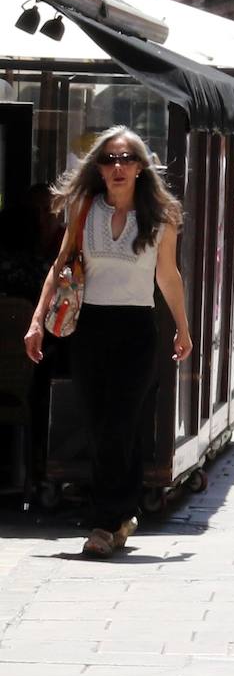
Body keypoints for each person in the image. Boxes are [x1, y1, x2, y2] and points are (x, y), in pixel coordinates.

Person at [23, 126, 192, 558]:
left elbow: (168, 275)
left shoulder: (160, 217)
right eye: (109, 160)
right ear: (98, 168)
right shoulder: (84, 209)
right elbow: (60, 265)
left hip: (137, 330)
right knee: (102, 425)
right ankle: (121, 515)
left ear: (139, 167)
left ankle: (104, 522)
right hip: (90, 328)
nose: (117, 167)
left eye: (125, 159)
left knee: (122, 423)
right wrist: (37, 320)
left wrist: (183, 328)